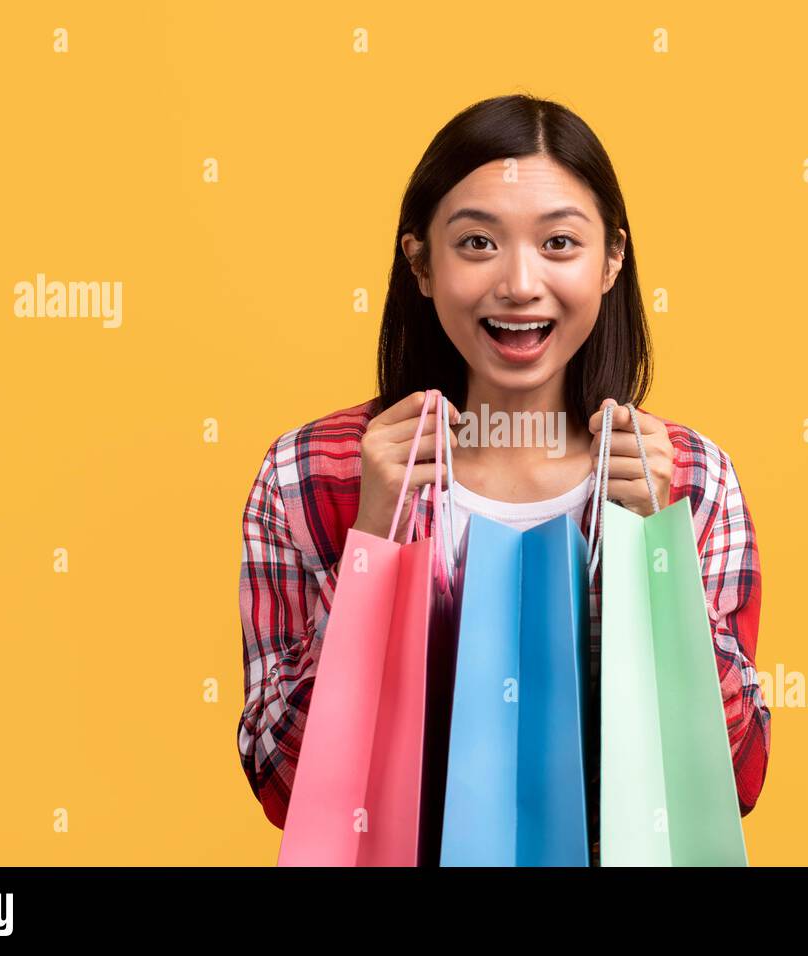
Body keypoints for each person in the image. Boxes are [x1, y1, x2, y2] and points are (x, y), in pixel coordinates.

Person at [237, 93, 769, 864]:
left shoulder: (691, 480)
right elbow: (285, 788)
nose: (519, 284)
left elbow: (736, 778)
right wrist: (369, 549)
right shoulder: (308, 474)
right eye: (478, 243)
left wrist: (663, 559)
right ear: (420, 263)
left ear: (611, 261)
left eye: (559, 243)